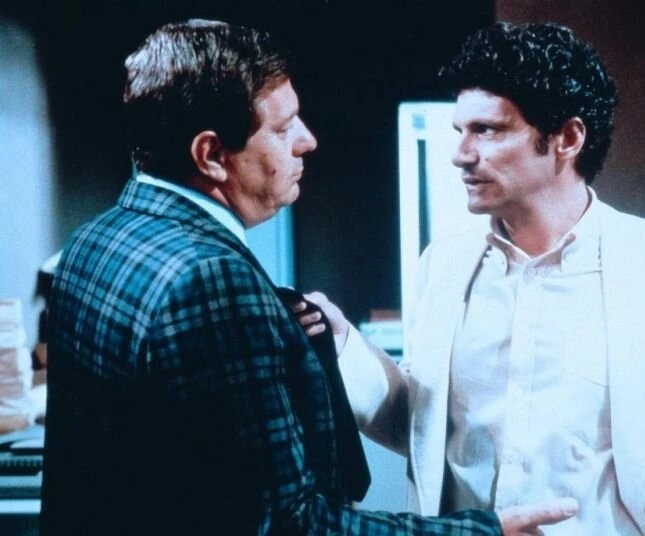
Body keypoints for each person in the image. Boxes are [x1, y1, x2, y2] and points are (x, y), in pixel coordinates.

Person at [39, 18, 575, 536]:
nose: (307, 140)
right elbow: (290, 524)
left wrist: (312, 347)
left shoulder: (94, 240)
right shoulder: (213, 279)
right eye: (282, 128)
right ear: (212, 155)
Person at [297, 21, 644, 535]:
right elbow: (421, 428)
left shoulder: (637, 263)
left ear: (568, 138)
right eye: (460, 131)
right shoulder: (445, 264)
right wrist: (345, 344)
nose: (461, 154)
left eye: (488, 130)